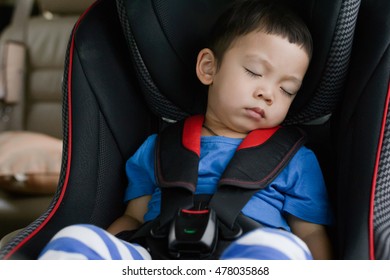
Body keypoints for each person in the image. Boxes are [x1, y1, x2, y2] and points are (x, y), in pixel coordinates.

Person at [38, 0, 333, 260]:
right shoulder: (158, 148)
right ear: (208, 68)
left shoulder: (296, 160)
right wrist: (107, 248)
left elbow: (310, 234)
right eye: (255, 72)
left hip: (249, 255)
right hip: (158, 256)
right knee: (78, 239)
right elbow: (133, 218)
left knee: (282, 248)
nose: (268, 93)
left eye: (287, 89)